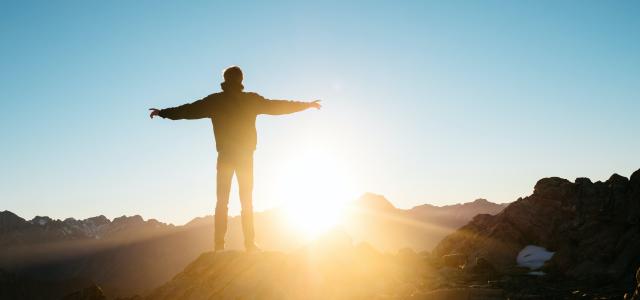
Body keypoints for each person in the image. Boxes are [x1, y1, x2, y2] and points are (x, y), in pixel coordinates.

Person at [149, 66, 321, 252]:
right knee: (246, 200)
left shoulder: (216, 101)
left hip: (225, 156)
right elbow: (278, 106)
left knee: (222, 201)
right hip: (246, 156)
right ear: (241, 80)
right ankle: (249, 244)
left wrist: (163, 113)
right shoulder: (251, 100)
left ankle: (219, 246)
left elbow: (188, 110)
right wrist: (306, 105)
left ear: (225, 79)